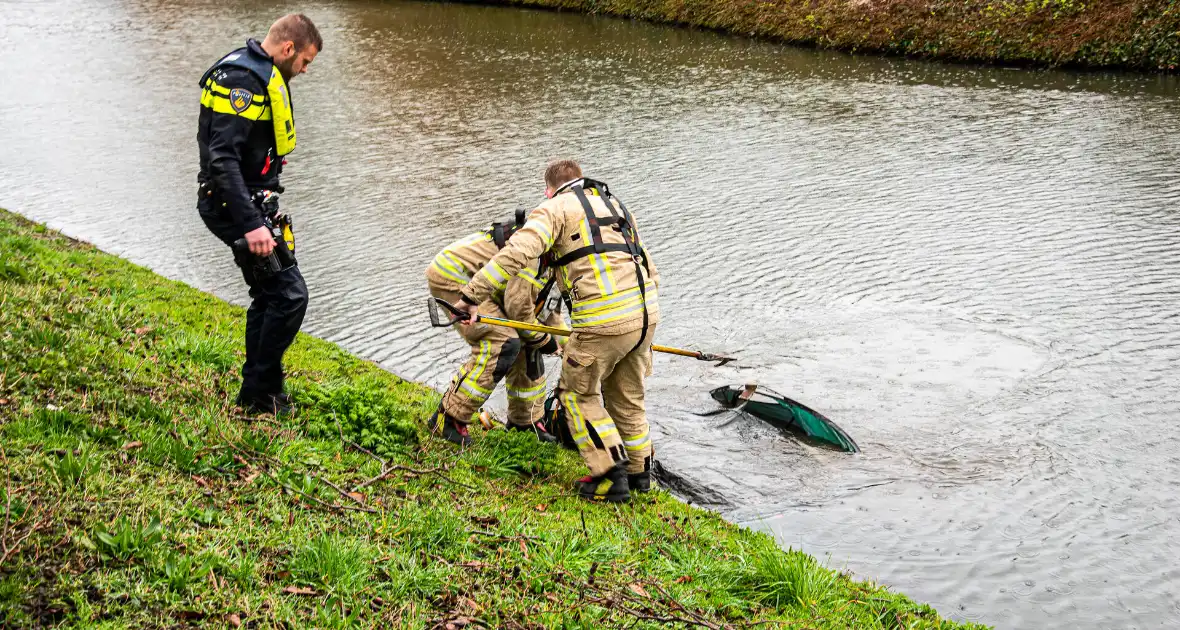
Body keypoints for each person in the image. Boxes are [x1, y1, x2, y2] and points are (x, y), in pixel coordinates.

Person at [456, 160, 659, 503]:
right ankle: (640, 474)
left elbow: (515, 254)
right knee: (628, 397)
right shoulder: (615, 205)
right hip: (646, 315)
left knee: (576, 395)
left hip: (601, 322)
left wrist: (470, 297)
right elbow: (645, 261)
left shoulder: (552, 210)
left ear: (549, 191)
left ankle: (610, 476)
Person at [196, 14, 321, 415]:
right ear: (289, 49)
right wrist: (251, 224)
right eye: (305, 62)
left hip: (248, 201)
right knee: (289, 295)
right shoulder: (244, 82)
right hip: (233, 205)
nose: (303, 71)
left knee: (270, 293)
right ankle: (260, 392)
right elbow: (222, 158)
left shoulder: (252, 68)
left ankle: (260, 391)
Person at [426, 211, 563, 446]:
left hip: (490, 290)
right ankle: (447, 417)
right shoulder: (536, 249)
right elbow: (519, 309)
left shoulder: (563, 259)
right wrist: (544, 340)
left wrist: (571, 344)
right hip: (455, 277)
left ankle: (525, 422)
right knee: (502, 342)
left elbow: (547, 313)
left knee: (529, 341)